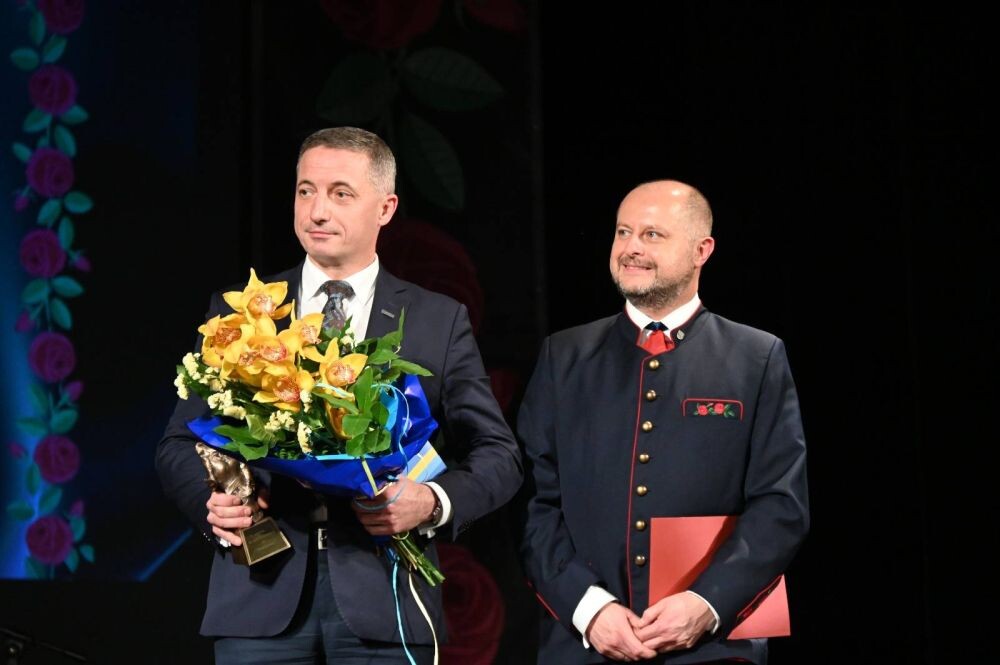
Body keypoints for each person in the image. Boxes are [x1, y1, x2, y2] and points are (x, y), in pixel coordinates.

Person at [156, 127, 523, 664]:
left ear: (385, 208)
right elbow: (176, 443)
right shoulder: (243, 312)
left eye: (340, 193)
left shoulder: (435, 320)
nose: (317, 211)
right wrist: (211, 503)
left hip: (385, 601)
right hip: (259, 595)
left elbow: (499, 453)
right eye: (305, 191)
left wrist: (431, 502)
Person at [517, 180, 809, 664]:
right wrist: (590, 609)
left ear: (701, 250)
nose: (631, 248)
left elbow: (781, 506)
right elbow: (533, 502)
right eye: (623, 232)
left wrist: (707, 603)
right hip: (585, 645)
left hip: (714, 647)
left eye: (652, 234)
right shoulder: (563, 356)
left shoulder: (756, 357)